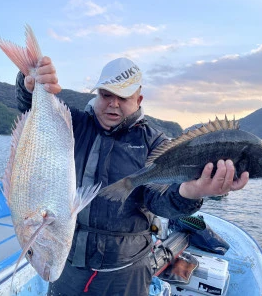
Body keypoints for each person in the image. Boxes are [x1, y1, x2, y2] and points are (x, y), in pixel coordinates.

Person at [15, 57, 249, 296]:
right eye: (106, 95)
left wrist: (191, 193)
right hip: (70, 265)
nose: (113, 104)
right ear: (97, 95)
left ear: (138, 100)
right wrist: (29, 85)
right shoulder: (74, 124)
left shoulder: (155, 144)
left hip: (127, 273)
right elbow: (33, 114)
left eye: (123, 97)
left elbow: (160, 201)